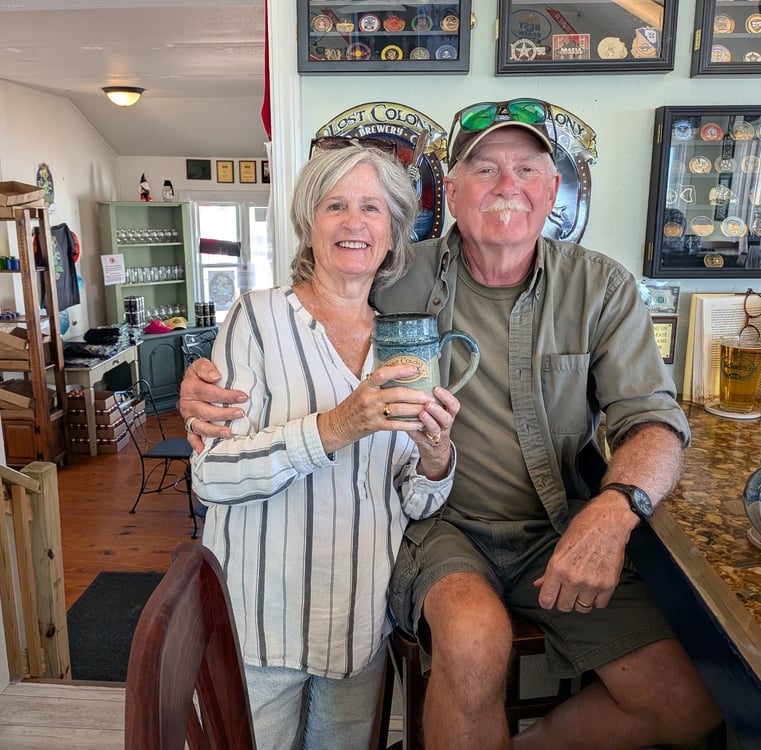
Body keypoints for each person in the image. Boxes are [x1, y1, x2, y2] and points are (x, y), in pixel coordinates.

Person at [179, 99, 721, 749]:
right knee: (471, 641)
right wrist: (203, 381)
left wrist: (616, 509)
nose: (507, 185)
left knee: (684, 702)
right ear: (454, 192)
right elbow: (304, 313)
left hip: (559, 528)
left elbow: (655, 423)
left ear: (553, 190)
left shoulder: (600, 287)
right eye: (484, 168)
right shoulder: (392, 275)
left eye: (527, 168)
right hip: (439, 529)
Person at [187, 142, 459, 749]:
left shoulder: (400, 342)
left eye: (371, 208)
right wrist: (336, 426)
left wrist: (437, 459)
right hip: (262, 624)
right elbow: (211, 477)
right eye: (335, 205)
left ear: (392, 233)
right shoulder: (256, 319)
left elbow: (413, 500)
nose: (354, 222)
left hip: (360, 624)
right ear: (309, 226)